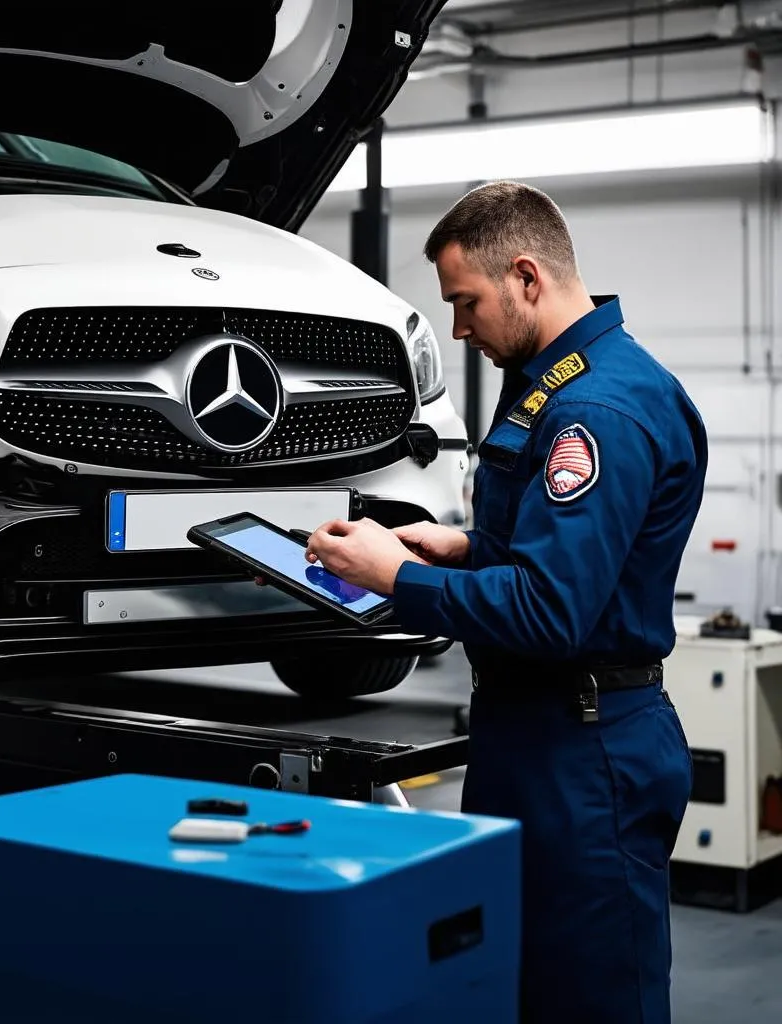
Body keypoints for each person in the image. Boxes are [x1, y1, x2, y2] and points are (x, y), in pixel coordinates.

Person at [303, 181, 707, 1023]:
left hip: (583, 754)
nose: (458, 328)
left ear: (526, 276)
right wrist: (468, 549)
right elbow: (566, 561)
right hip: (536, 737)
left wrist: (396, 578)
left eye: (464, 302)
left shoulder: (593, 412)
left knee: (595, 999)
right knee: (517, 988)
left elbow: (551, 613)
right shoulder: (564, 385)